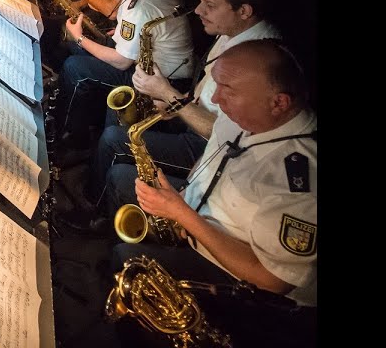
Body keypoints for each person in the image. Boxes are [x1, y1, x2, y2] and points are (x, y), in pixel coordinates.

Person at [109, 39, 316, 345]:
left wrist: (181, 214)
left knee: (127, 261)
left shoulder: (302, 182)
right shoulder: (245, 116)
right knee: (118, 176)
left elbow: (272, 281)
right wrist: (183, 195)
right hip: (195, 215)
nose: (216, 99)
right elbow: (211, 160)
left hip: (246, 284)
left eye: (228, 89)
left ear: (279, 103)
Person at [67, 0, 282, 233]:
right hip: (192, 114)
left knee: (113, 142)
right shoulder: (233, 32)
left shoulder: (258, 61)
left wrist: (170, 95)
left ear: (244, 11)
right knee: (118, 118)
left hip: (208, 146)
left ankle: (94, 213)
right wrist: (175, 104)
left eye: (210, 5)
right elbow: (207, 93)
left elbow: (222, 135)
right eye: (200, 1)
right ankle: (99, 186)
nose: (198, 11)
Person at [58, 0, 195, 151]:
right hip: (146, 61)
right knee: (75, 50)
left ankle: (70, 136)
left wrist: (81, 37)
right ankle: (84, 116)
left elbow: (122, 62)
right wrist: (122, 33)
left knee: (75, 67)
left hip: (162, 79)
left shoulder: (142, 7)